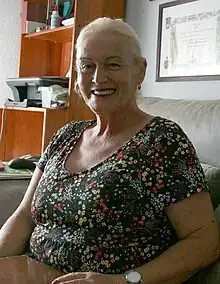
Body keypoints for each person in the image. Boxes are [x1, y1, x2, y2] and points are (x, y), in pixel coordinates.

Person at [0, 17, 219, 284]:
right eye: (86, 66)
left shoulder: (163, 141)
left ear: (140, 71)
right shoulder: (66, 135)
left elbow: (204, 241)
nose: (98, 77)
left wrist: (125, 281)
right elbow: (24, 216)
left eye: (113, 64)